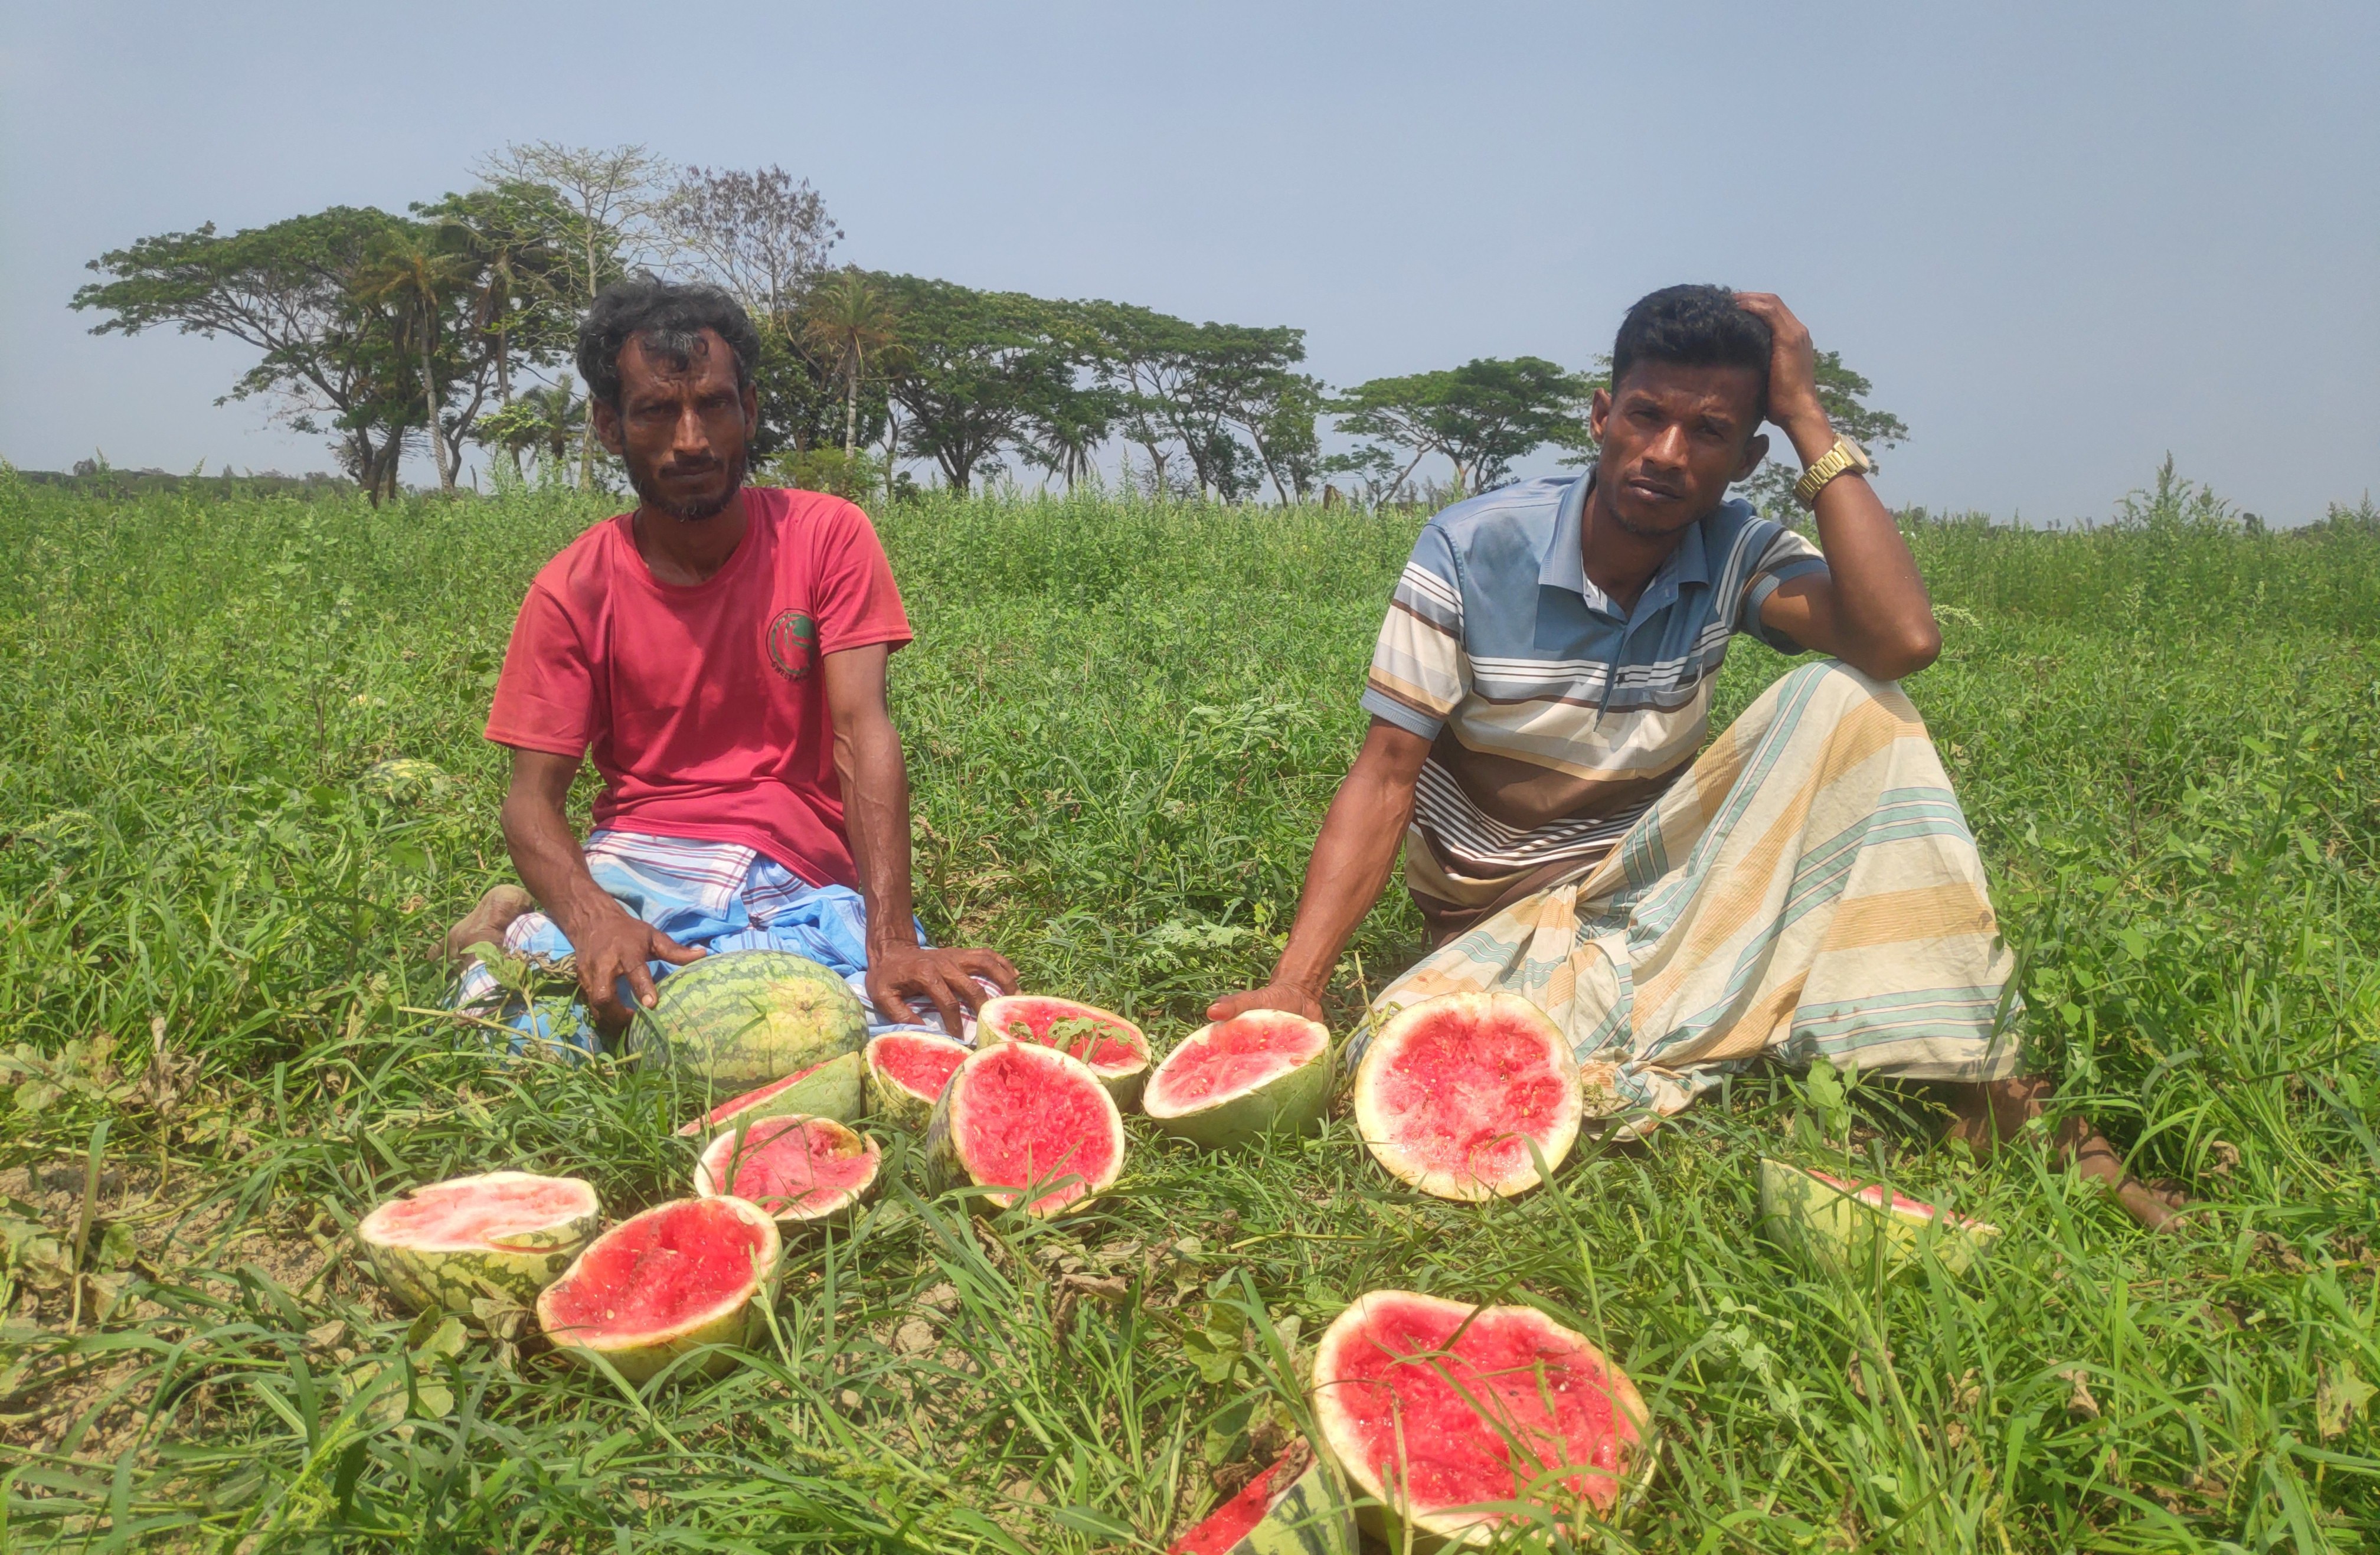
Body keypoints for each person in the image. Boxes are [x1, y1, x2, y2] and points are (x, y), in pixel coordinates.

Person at [1209, 285, 2178, 1230]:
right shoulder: (1470, 550)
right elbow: (1385, 775)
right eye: (1647, 416)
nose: (1667, 455)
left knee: (1853, 700)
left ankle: (1977, 1079)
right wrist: (1298, 984)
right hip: (1498, 922)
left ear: (1747, 455)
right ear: (1602, 416)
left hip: (1650, 897)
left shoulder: (1733, 549)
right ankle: (1816, 1035)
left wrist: (1807, 414)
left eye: (1709, 433)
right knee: (1408, 1042)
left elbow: (1901, 639)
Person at [448, 279, 1014, 1047]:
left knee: (952, 1034)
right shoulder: (572, 588)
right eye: (656, 411)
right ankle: (517, 916)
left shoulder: (828, 537)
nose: (691, 439)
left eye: (713, 404)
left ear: (748, 409)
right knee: (519, 1029)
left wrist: (891, 943)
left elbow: (861, 730)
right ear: (611, 426)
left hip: (804, 875)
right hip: (643, 865)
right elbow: (529, 802)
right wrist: (593, 917)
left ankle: (527, 910)